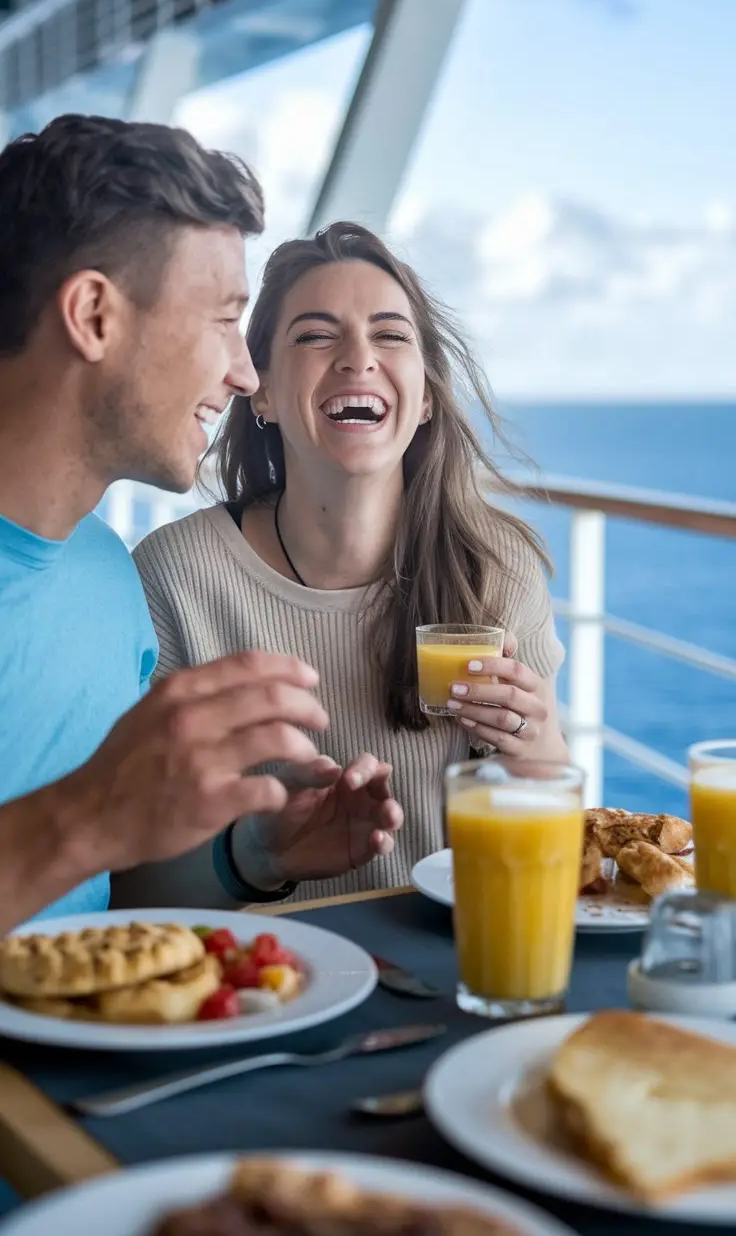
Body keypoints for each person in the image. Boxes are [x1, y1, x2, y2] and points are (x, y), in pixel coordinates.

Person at [0, 115, 398, 935]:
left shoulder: (107, 582)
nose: (245, 371)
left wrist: (255, 853)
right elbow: (78, 832)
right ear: (95, 316)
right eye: (223, 318)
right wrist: (83, 813)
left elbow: (96, 895)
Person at [128, 222, 568, 910]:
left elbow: (551, 858)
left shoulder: (496, 567)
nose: (358, 358)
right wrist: (256, 851)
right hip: (259, 989)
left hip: (454, 972)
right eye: (314, 335)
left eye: (391, 335)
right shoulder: (174, 577)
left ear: (424, 396)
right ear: (261, 391)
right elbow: (128, 875)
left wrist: (539, 753)